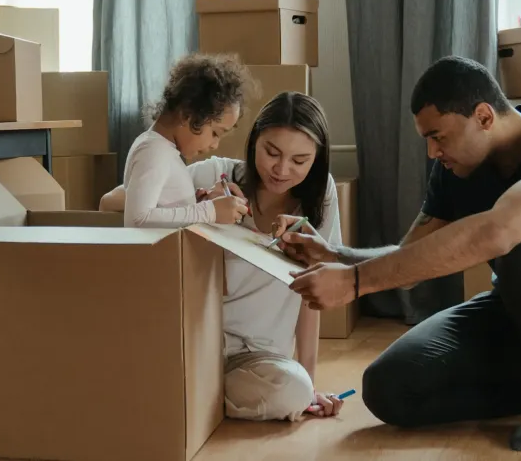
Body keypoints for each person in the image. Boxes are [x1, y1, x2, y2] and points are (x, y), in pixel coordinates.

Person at [281, 56, 521, 452]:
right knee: (389, 387)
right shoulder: (456, 170)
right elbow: (410, 260)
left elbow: (503, 230)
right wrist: (337, 256)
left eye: (438, 137)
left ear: (483, 116)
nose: (431, 152)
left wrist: (355, 284)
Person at [102, 91, 347, 421]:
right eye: (271, 152)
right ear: (254, 141)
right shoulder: (214, 175)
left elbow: (312, 294)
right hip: (195, 343)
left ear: (317, 160)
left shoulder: (321, 198)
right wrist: (201, 207)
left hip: (258, 358)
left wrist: (310, 383)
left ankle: (188, 397)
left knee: (294, 391)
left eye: (300, 161)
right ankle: (190, 395)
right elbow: (111, 202)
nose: (282, 169)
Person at [120, 53, 251, 228]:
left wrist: (194, 204)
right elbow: (137, 220)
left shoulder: (164, 150)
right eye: (215, 133)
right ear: (187, 114)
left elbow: (162, 212)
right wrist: (209, 211)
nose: (215, 145)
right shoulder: (153, 151)